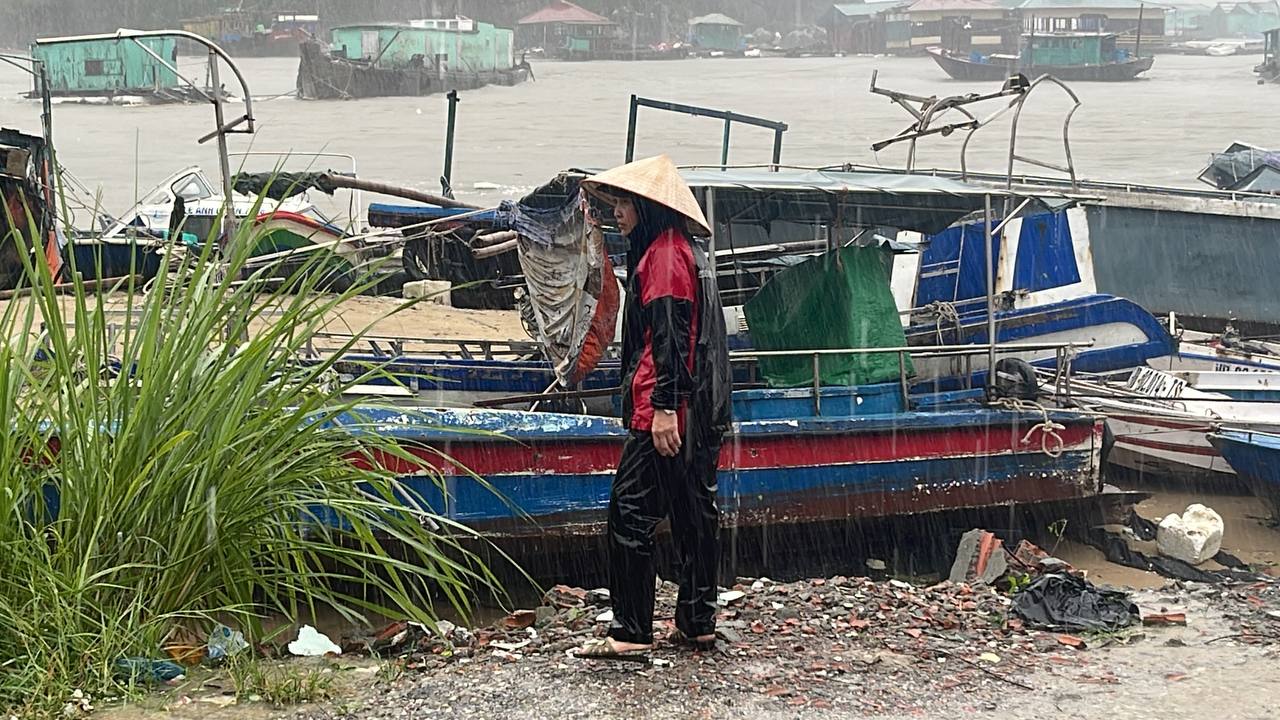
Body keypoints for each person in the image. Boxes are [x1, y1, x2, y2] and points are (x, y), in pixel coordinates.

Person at [575, 155, 731, 661]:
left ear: (646, 206)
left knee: (629, 512)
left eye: (624, 202)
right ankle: (697, 621)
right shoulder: (687, 251)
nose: (617, 212)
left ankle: (631, 629)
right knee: (692, 513)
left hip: (666, 409)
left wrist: (664, 407)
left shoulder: (662, 256)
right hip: (703, 407)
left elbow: (669, 336)